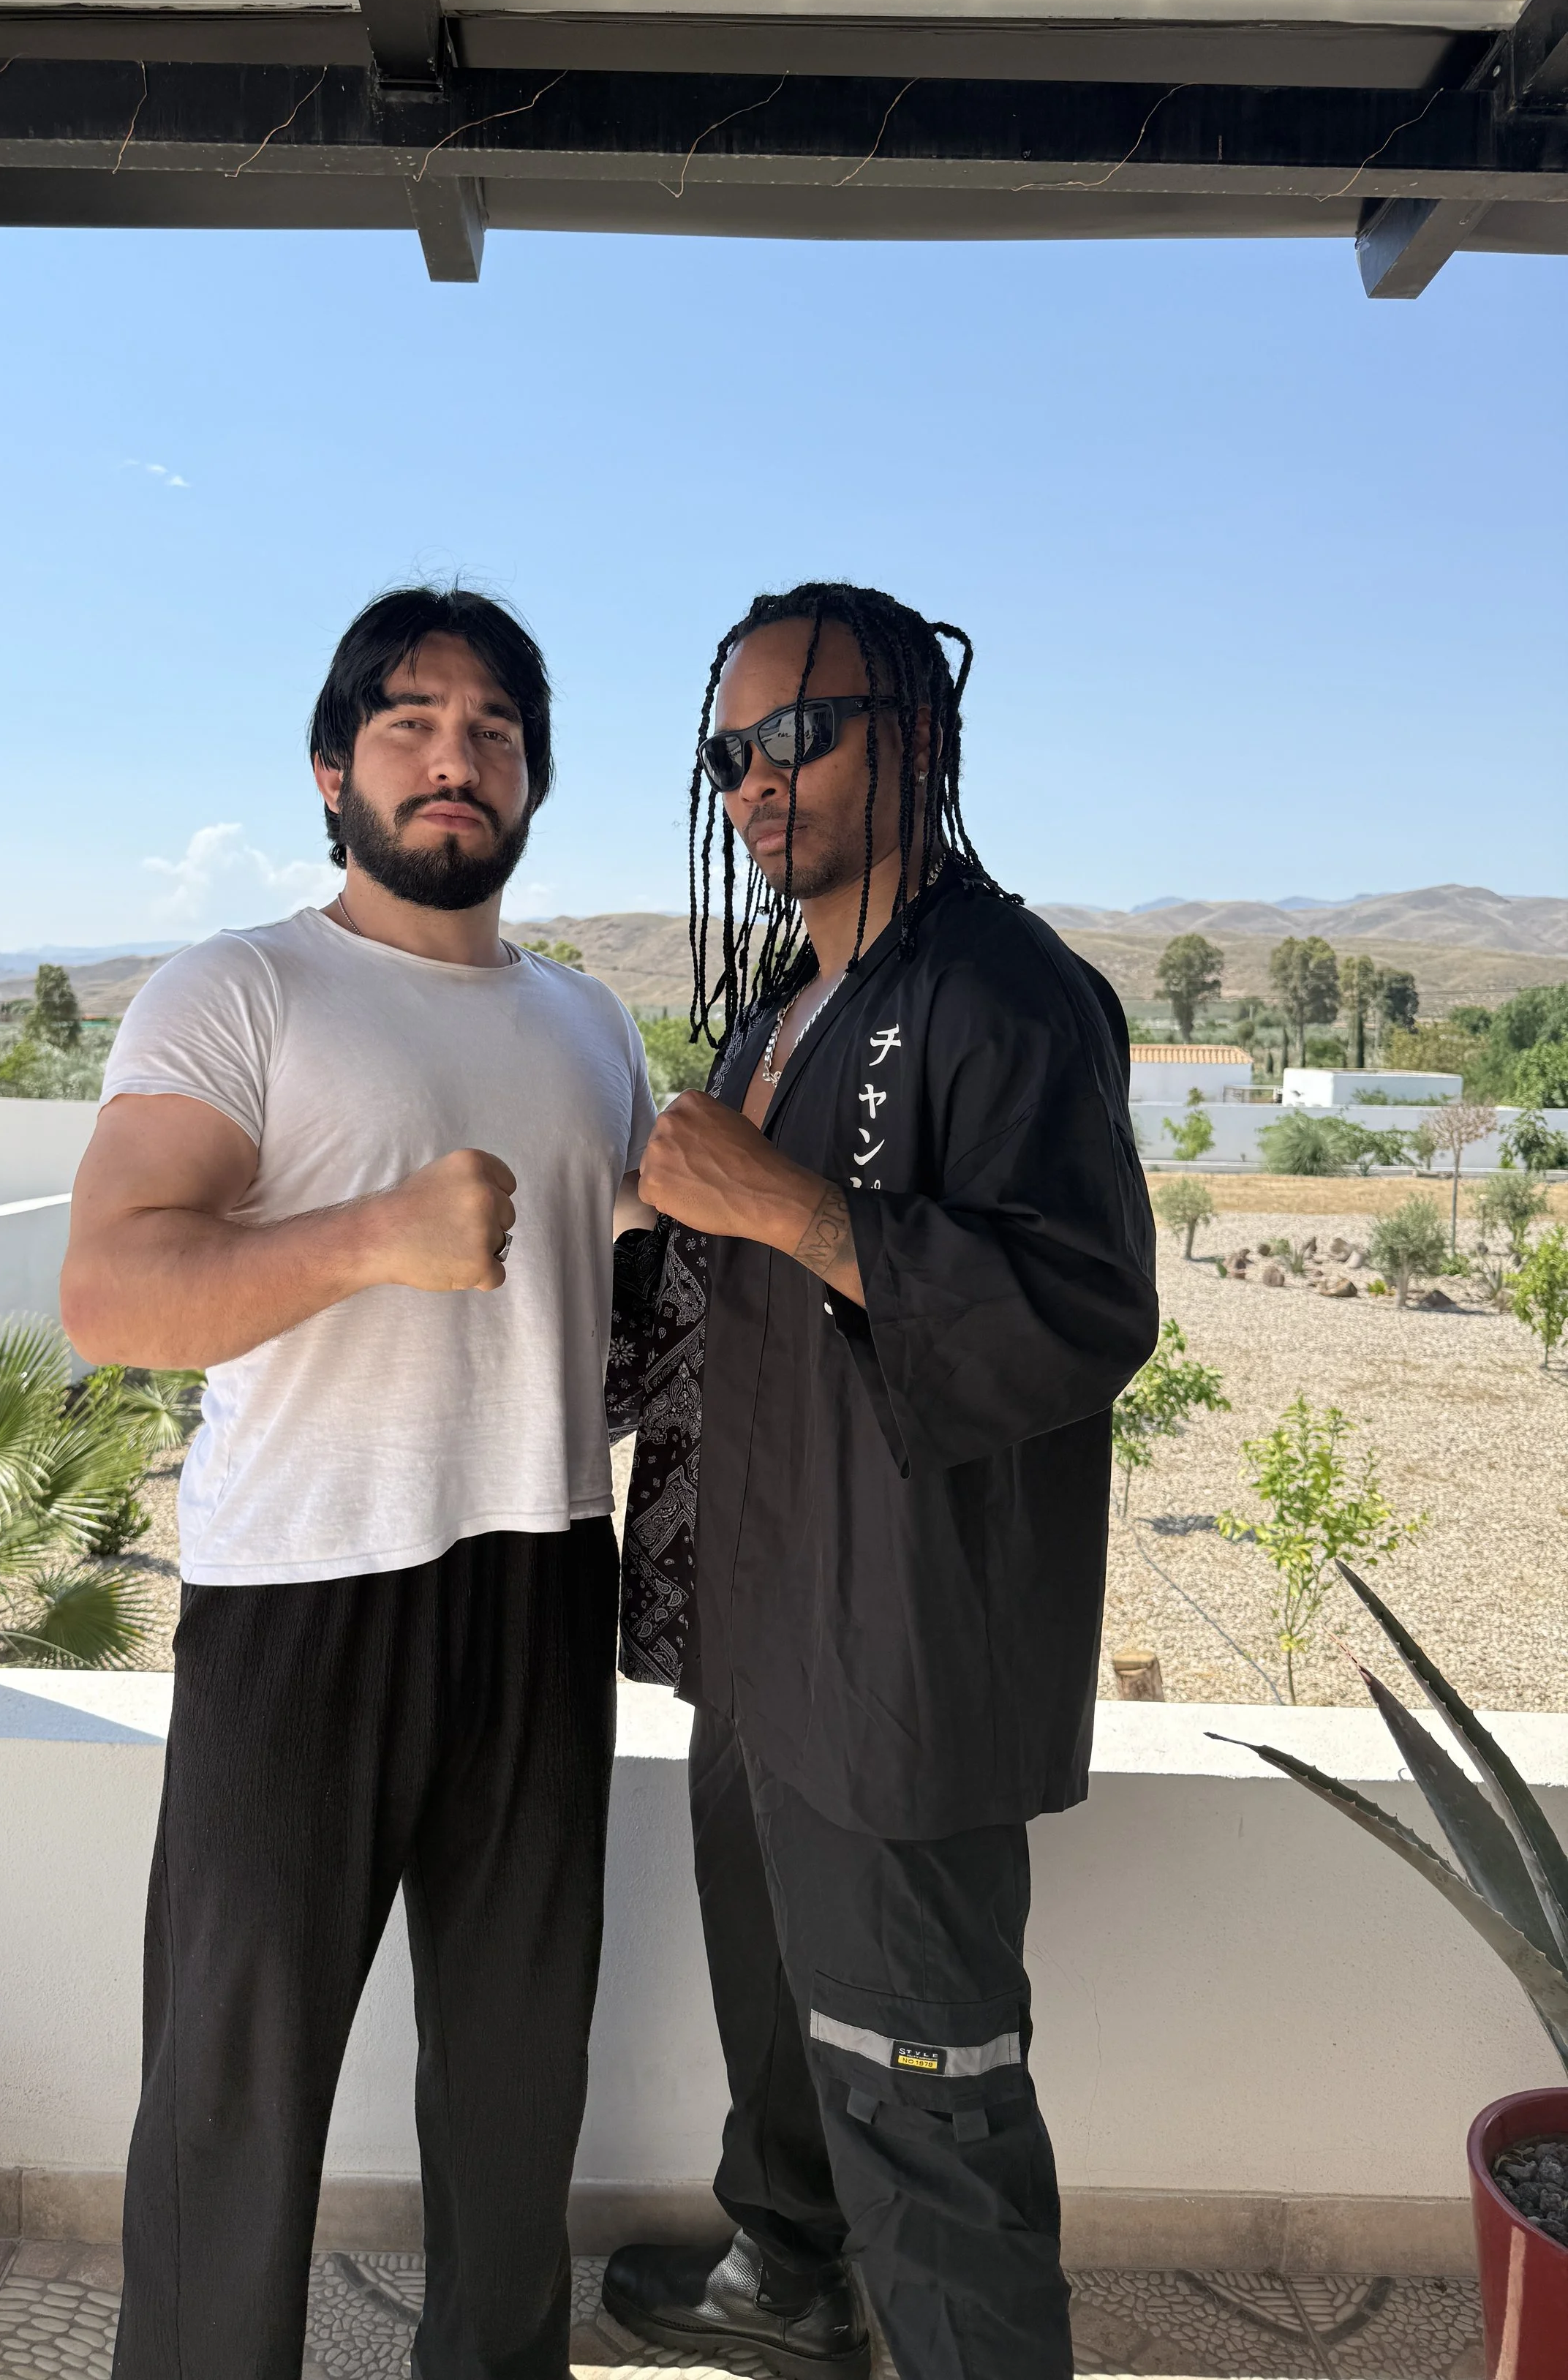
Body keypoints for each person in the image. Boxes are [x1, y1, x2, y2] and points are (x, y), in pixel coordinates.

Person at [61, 586, 655, 2380]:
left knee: (514, 2089)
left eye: (491, 728)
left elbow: (614, 1293)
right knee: (232, 2103)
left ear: (532, 777)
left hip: (542, 1575)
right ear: (332, 769)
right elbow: (110, 1293)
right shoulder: (238, 988)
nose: (452, 755)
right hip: (301, 1595)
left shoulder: (589, 1023)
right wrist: (373, 1237)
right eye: (408, 721)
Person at [601, 584, 1157, 2380]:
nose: (756, 781)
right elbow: (716, 1292)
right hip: (759, 1632)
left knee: (924, 2089)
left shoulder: (1011, 998)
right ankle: (787, 2278)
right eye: (728, 751)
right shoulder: (787, 998)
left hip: (895, 1651)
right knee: (780, 2028)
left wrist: (782, 1203)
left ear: (909, 733)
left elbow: (1079, 1310)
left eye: (797, 733)